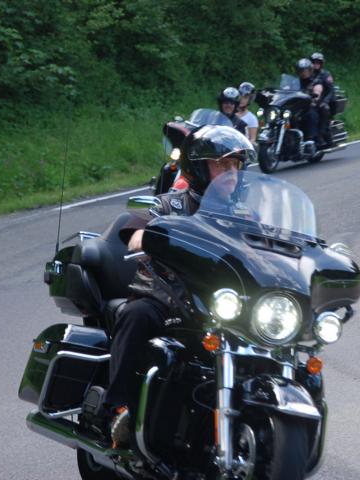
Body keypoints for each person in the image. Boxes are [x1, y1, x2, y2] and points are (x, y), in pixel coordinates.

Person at [104, 125, 256, 448]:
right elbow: (135, 232)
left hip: (218, 306)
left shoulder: (244, 216)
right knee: (135, 315)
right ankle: (118, 409)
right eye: (221, 164)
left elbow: (265, 252)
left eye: (235, 165)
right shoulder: (168, 206)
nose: (231, 172)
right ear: (198, 168)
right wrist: (148, 236)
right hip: (166, 299)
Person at [310, 52, 335, 147]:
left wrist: (325, 101)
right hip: (311, 100)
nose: (316, 64)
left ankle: (322, 134)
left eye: (318, 62)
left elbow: (331, 91)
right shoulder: (308, 74)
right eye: (314, 62)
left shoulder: (326, 75)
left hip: (323, 99)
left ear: (321, 64)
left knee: (324, 109)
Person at [295, 58, 322, 143]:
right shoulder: (295, 81)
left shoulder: (315, 81)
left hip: (309, 106)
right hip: (296, 107)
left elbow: (318, 90)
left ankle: (311, 139)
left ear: (310, 70)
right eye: (301, 70)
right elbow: (286, 88)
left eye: (305, 70)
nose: (303, 72)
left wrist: (316, 94)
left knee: (311, 114)